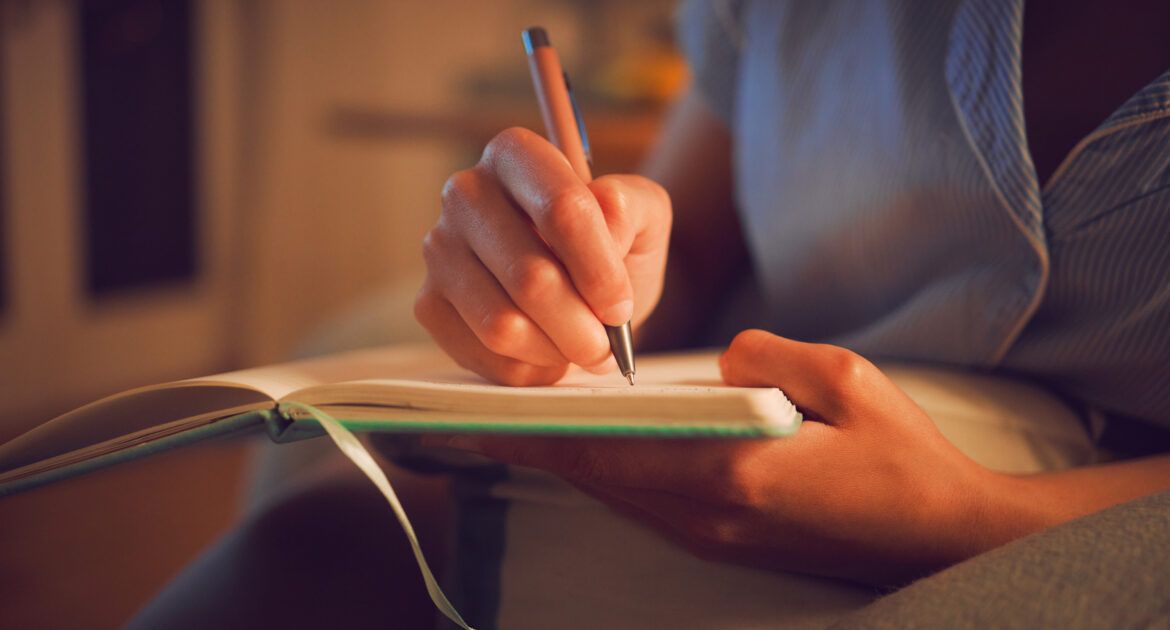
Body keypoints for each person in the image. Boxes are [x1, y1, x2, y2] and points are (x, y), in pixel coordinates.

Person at [133, 0, 1170, 628]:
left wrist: (971, 522)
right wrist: (568, 263)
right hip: (752, 405)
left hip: (1091, 506)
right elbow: (691, 253)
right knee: (317, 537)